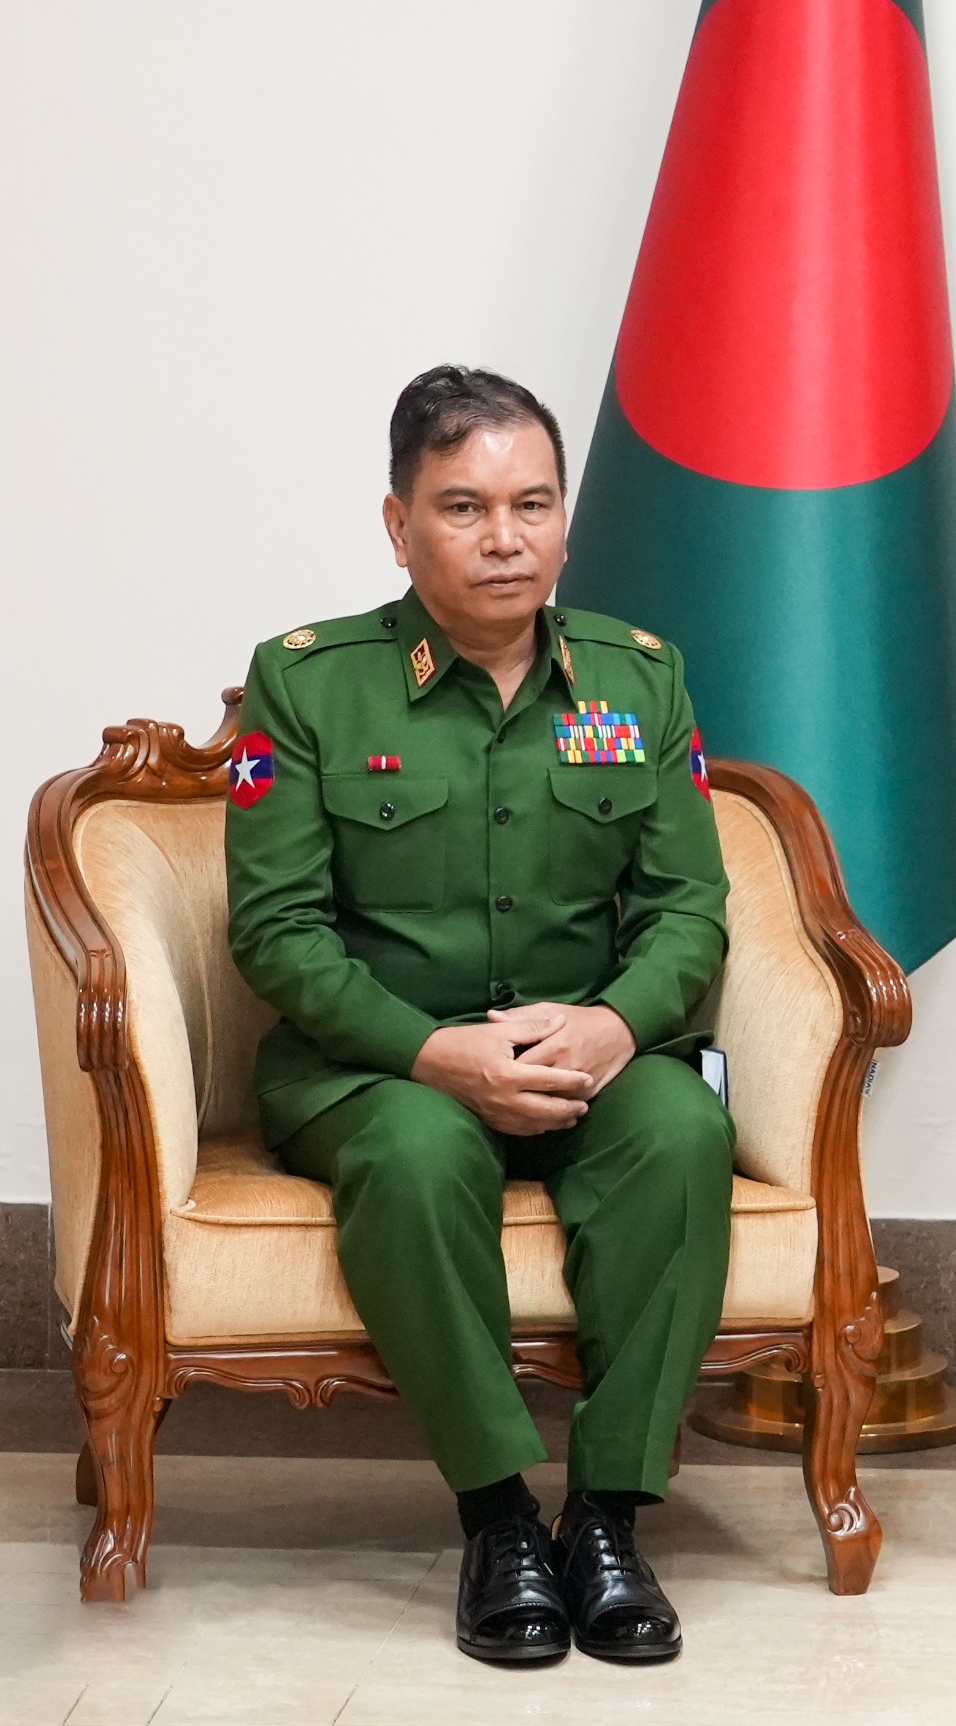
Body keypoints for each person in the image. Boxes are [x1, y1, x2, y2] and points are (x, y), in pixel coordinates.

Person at [225, 366, 734, 1666]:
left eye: (531, 502)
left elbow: (690, 909)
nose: (505, 537)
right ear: (399, 524)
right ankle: (500, 1512)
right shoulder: (307, 686)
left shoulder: (642, 677)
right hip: (380, 1065)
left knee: (680, 1128)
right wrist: (435, 1052)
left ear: (566, 516)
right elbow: (277, 932)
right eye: (463, 505)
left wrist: (618, 1028)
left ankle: (609, 1513)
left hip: (585, 1056)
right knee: (419, 1149)